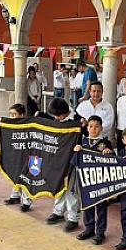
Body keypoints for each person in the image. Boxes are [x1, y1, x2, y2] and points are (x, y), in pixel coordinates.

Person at [41, 98, 82, 232]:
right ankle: (58, 212)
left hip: (71, 161)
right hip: (56, 160)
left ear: (65, 113)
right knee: (58, 185)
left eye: (58, 116)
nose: (56, 118)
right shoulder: (54, 118)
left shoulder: (78, 121)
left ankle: (73, 218)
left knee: (71, 190)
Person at [75, 116, 114, 244]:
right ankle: (89, 228)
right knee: (88, 204)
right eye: (91, 126)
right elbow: (75, 162)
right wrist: (77, 151)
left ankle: (100, 232)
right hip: (87, 180)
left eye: (97, 126)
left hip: (101, 180)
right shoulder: (83, 142)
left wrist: (110, 153)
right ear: (87, 128)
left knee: (101, 207)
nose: (93, 129)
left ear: (101, 128)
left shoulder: (105, 143)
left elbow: (114, 162)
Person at [3, 104, 34, 211]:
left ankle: (27, 202)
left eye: (14, 114)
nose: (12, 117)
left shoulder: (29, 125)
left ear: (22, 115)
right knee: (15, 174)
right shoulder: (10, 125)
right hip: (16, 155)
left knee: (26, 178)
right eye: (10, 114)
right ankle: (15, 196)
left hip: (27, 156)